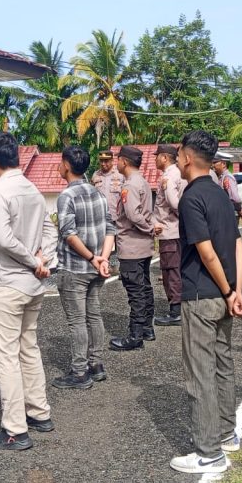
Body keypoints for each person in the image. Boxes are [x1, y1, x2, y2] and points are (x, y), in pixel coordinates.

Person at [170, 130, 242, 474]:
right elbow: (237, 245)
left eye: (178, 154)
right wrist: (236, 290)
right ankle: (227, 433)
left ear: (188, 157)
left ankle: (208, 451)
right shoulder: (220, 192)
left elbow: (207, 252)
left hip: (202, 295)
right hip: (224, 294)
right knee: (223, 364)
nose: (176, 159)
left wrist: (230, 290)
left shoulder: (191, 197)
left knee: (200, 371)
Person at [0, 131, 59, 451]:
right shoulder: (32, 189)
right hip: (32, 286)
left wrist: (33, 261)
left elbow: (4, 238)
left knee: (4, 358)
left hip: (6, 285)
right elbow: (49, 229)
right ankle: (39, 413)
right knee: (28, 348)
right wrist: (44, 260)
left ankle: (15, 429)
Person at [52, 146, 116, 390]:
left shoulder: (67, 196)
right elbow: (110, 228)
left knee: (77, 321)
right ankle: (97, 364)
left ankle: (79, 371)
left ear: (67, 165)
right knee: (94, 315)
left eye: (60, 162)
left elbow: (69, 234)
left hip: (76, 266)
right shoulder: (98, 193)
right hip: (96, 265)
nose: (59, 166)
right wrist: (103, 259)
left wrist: (92, 258)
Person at [109, 146, 156, 351]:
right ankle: (147, 327)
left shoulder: (129, 185)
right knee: (145, 287)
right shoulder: (143, 181)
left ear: (125, 162)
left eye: (118, 160)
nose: (116, 164)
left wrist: (150, 228)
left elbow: (133, 215)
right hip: (143, 246)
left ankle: (135, 335)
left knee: (135, 290)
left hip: (131, 245)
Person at [153, 144, 186, 326]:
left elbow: (175, 203)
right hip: (176, 230)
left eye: (157, 156)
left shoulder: (168, 176)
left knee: (171, 271)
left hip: (170, 231)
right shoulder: (178, 173)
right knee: (176, 270)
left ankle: (176, 311)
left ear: (164, 158)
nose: (155, 159)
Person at [212, 152, 242, 221]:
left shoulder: (227, 178)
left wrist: (239, 209)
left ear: (224, 164)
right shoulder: (220, 177)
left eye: (215, 162)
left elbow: (236, 198)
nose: (212, 165)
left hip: (230, 214)